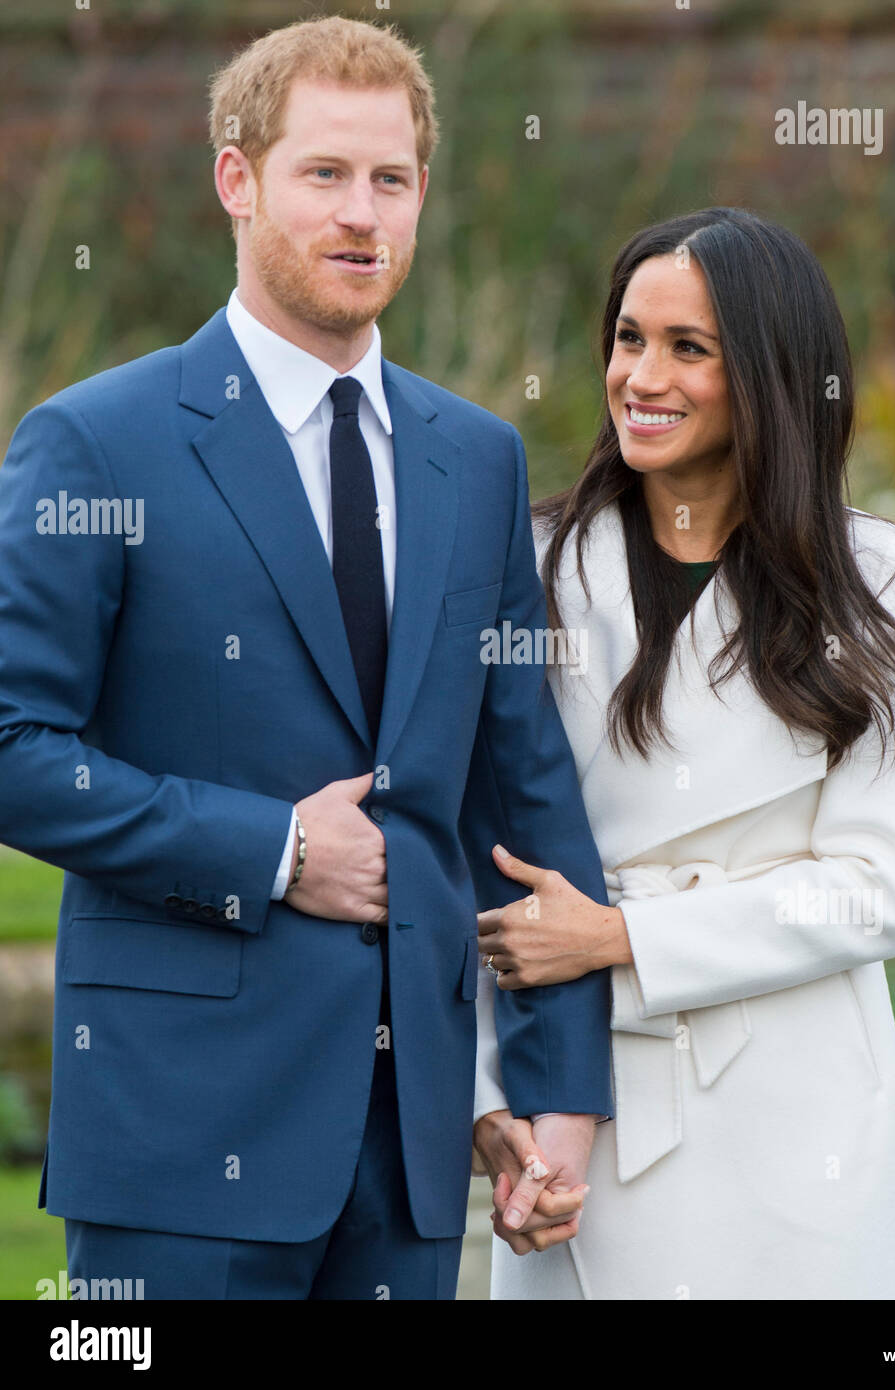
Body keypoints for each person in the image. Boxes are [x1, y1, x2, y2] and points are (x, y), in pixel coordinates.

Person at [0, 15, 610, 1300]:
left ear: (423, 195)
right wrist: (272, 851)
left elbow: (524, 790)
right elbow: (13, 749)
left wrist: (553, 1093)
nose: (360, 214)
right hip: (176, 1139)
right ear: (239, 181)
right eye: (323, 174)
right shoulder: (96, 443)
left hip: (410, 1144)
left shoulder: (480, 456)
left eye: (390, 180)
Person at [473, 207, 895, 1299]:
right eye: (628, 337)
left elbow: (874, 891)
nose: (643, 375)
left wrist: (623, 933)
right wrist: (489, 1103)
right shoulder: (532, 566)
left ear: (775, 376)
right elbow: (477, 852)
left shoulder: (885, 583)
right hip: (588, 1111)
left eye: (689, 348)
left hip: (801, 1117)